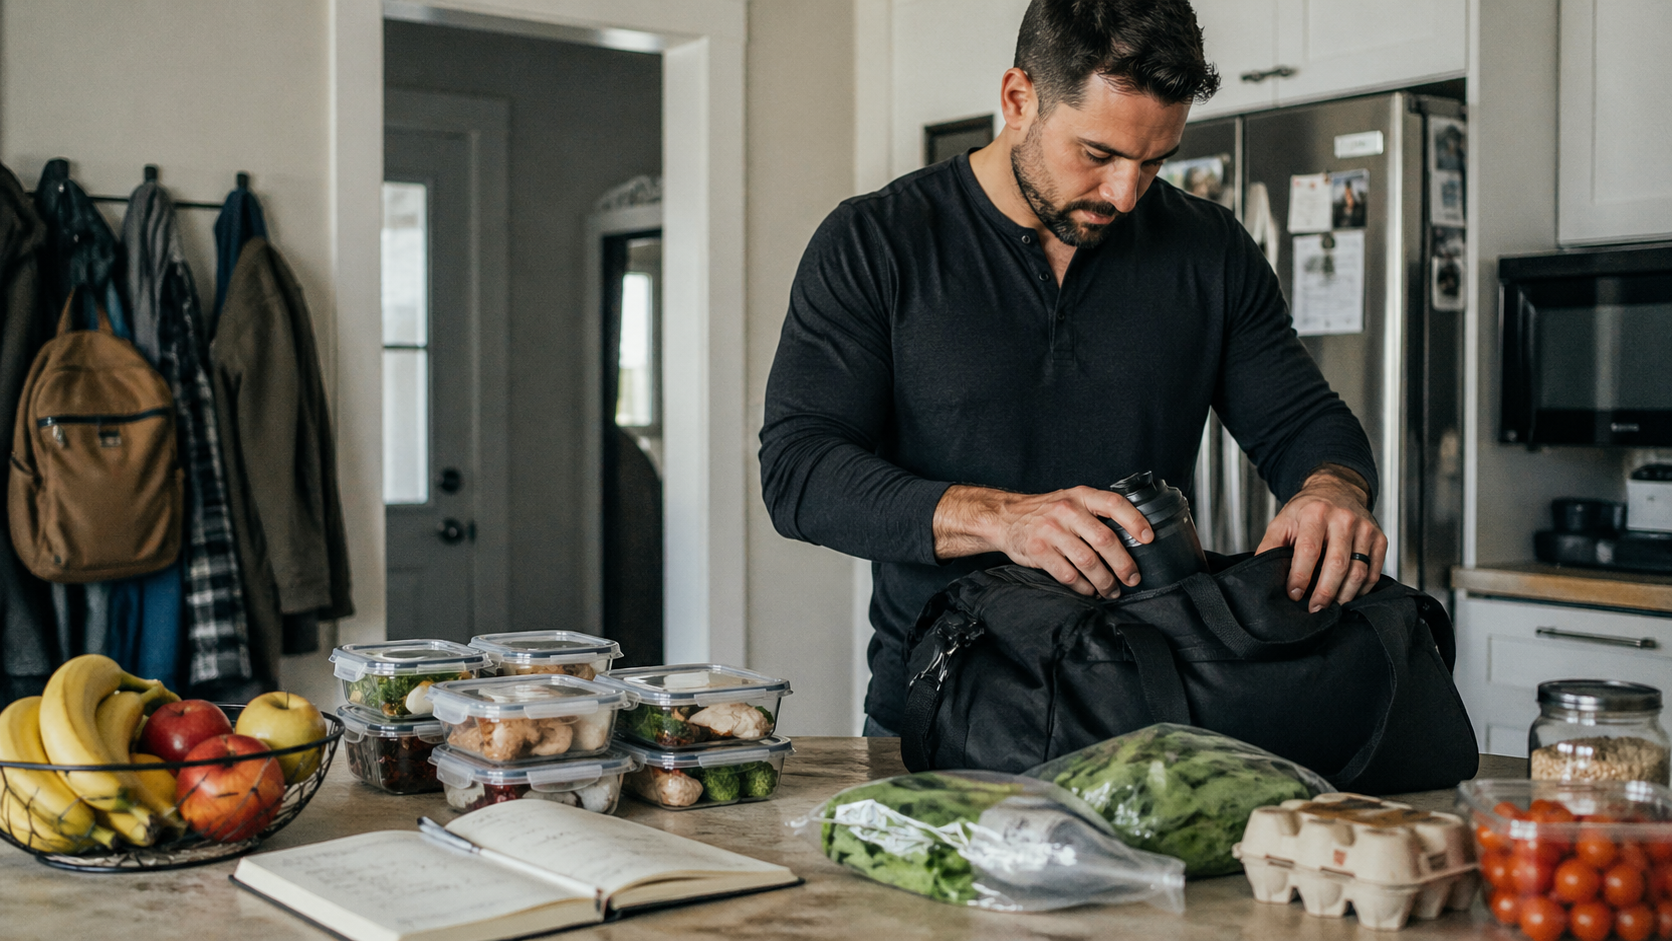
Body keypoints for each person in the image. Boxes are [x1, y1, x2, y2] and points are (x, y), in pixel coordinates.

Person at [759, 0, 1388, 738]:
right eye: (1098, 154)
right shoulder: (876, 243)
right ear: (1018, 99)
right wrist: (1004, 518)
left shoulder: (1209, 249)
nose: (1126, 194)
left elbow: (1303, 422)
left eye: (1155, 161)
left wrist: (1331, 489)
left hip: (1155, 712)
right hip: (940, 715)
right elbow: (799, 472)